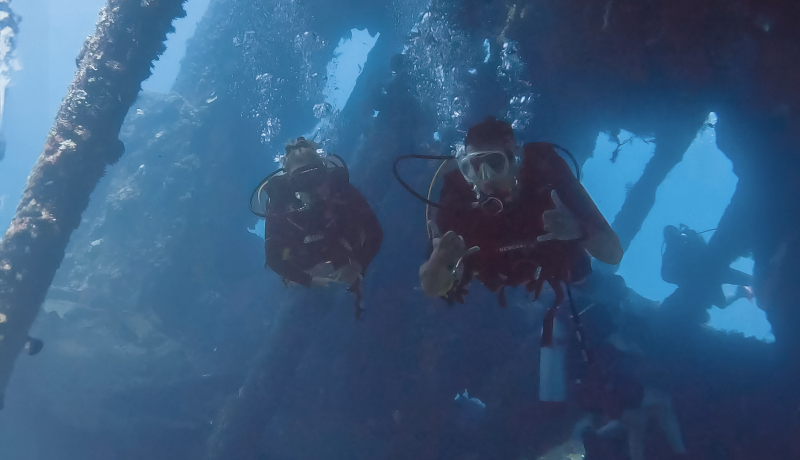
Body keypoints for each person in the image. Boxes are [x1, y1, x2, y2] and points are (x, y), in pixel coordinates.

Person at [419, 116, 623, 306]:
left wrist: (579, 230)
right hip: (494, 283)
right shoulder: (457, 197)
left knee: (587, 282)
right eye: (473, 167)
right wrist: (439, 267)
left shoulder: (546, 173)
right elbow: (431, 286)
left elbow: (614, 254)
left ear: (516, 159)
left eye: (495, 163)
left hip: (552, 268)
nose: (485, 178)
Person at [262, 137, 383, 318]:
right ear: (290, 182)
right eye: (302, 180)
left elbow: (375, 232)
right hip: (303, 259)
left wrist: (358, 265)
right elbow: (273, 258)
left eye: (315, 176)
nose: (311, 187)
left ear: (325, 174)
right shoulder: (280, 205)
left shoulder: (342, 190)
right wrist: (308, 280)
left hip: (339, 248)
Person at [661, 224, 754, 309]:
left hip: (710, 274)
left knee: (723, 302)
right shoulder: (671, 253)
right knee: (722, 303)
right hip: (713, 272)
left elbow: (667, 276)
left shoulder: (686, 240)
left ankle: (741, 293)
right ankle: (740, 293)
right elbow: (666, 276)